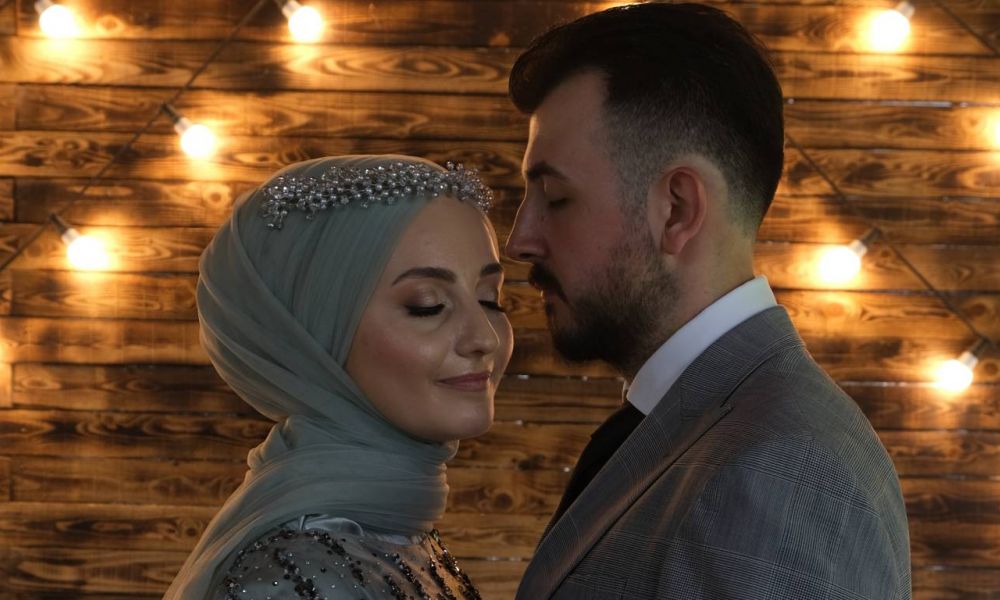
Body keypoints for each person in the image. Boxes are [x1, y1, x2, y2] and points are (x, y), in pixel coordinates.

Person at [504, 3, 911, 599]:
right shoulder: (711, 426)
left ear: (677, 209)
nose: (519, 240)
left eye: (555, 196)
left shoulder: (779, 471)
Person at [163, 154, 513, 600]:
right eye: (427, 305)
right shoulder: (293, 579)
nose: (484, 338)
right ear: (313, 338)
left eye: (490, 299)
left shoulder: (396, 535)